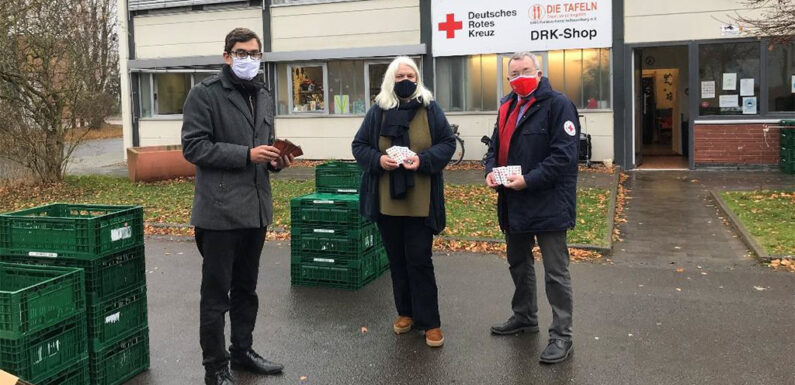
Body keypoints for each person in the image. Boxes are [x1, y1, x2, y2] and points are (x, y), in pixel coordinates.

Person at [182, 27, 290, 385]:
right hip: (219, 213)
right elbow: (194, 147)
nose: (249, 59)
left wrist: (275, 160)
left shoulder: (263, 95)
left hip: (255, 210)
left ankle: (242, 352)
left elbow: (262, 146)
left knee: (247, 289)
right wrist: (247, 155)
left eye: (255, 53)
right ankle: (215, 368)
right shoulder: (205, 94)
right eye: (242, 53)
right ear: (227, 56)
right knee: (216, 296)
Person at [352, 56, 455, 348]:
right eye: (399, 77)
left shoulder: (430, 108)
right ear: (390, 80)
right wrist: (378, 160)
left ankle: (430, 322)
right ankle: (406, 313)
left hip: (421, 201)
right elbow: (359, 146)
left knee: (419, 260)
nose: (405, 80)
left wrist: (422, 160)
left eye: (410, 75)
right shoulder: (378, 111)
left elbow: (447, 143)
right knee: (397, 261)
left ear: (418, 78)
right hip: (387, 202)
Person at [483, 51, 580, 364]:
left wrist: (528, 179)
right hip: (515, 201)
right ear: (508, 78)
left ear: (539, 73)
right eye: (514, 74)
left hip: (548, 202)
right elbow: (496, 147)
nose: (519, 77)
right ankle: (524, 316)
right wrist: (489, 169)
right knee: (519, 263)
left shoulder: (559, 105)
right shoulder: (506, 105)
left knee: (555, 273)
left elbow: (564, 157)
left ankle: (562, 336)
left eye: (526, 71)